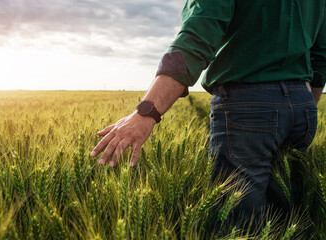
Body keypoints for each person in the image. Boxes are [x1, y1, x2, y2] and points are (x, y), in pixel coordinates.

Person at [90, 0, 325, 230]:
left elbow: (196, 38)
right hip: (302, 105)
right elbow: (321, 53)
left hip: (248, 107)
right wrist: (302, 103)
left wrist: (145, 114)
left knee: (238, 225)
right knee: (279, 218)